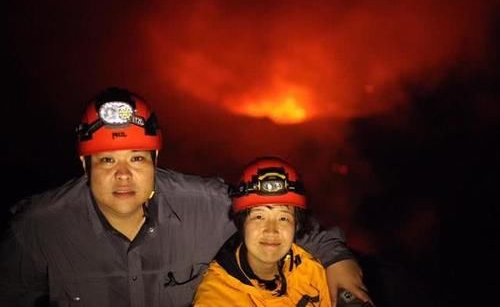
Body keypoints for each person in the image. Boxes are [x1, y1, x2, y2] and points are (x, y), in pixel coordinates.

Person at [0, 87, 370, 307]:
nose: (124, 175)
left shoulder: (205, 206)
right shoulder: (38, 230)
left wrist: (343, 276)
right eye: (108, 159)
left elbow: (285, 224)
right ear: (84, 163)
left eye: (138, 158)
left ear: (157, 158)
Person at [193, 157, 333, 306]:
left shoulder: (313, 271)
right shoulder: (217, 297)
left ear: (296, 226)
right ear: (242, 223)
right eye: (259, 216)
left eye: (283, 218)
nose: (271, 231)